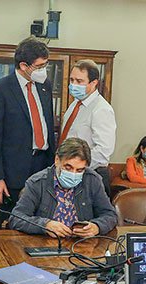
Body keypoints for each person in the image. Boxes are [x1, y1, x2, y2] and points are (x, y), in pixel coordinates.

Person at [0, 37, 55, 226]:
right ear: (24, 66)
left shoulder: (45, 86)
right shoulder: (0, 89)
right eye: (40, 66)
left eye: (45, 65)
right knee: (12, 223)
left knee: (42, 221)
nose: (44, 71)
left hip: (44, 165)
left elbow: (48, 123)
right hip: (13, 171)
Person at [9, 137, 117, 238]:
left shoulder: (93, 180)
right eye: (68, 167)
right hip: (45, 244)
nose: (73, 174)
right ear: (57, 160)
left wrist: (97, 227)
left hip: (82, 244)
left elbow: (110, 215)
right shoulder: (37, 182)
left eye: (79, 170)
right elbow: (16, 218)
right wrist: (45, 225)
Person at [59, 59, 116, 196]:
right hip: (67, 171)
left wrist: (76, 167)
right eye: (71, 80)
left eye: (79, 81)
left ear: (94, 83)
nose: (73, 85)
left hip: (89, 174)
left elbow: (103, 151)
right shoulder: (74, 105)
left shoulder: (101, 109)